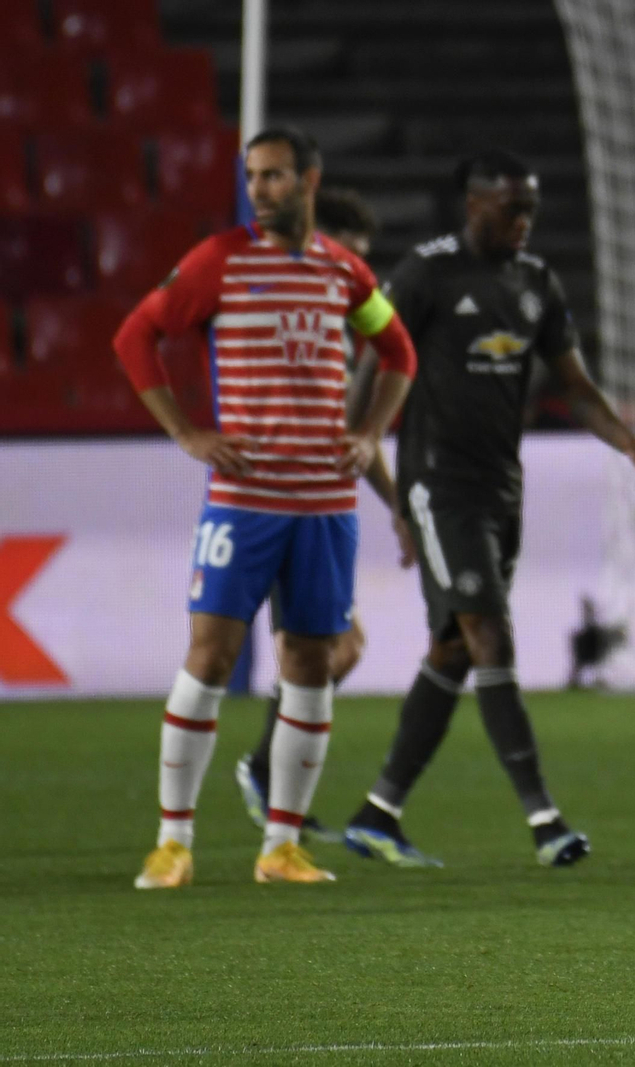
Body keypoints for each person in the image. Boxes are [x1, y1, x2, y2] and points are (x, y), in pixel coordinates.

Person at [340, 150, 635, 870]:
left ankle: (377, 812)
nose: (524, 222)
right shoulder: (428, 272)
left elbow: (574, 385)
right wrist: (364, 449)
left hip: (500, 489)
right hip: (437, 484)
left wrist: (630, 444)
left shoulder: (534, 282)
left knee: (454, 650)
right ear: (475, 204)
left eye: (531, 211)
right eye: (511, 208)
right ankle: (544, 820)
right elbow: (373, 362)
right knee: (489, 634)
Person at [115, 127, 417, 887]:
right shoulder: (219, 262)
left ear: (309, 179)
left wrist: (370, 431)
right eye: (253, 177)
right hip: (243, 502)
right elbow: (135, 335)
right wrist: (186, 430)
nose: (261, 190)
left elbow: (400, 354)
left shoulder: (345, 272)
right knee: (210, 656)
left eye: (276, 175)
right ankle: (173, 840)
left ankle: (281, 845)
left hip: (324, 506)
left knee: (310, 663)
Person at [234, 187, 417, 843]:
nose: (354, 274)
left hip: (313, 505)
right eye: (350, 255)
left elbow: (347, 438)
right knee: (324, 651)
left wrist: (394, 503)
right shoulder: (295, 318)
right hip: (282, 504)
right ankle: (265, 783)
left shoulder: (333, 327)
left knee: (342, 649)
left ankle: (270, 780)